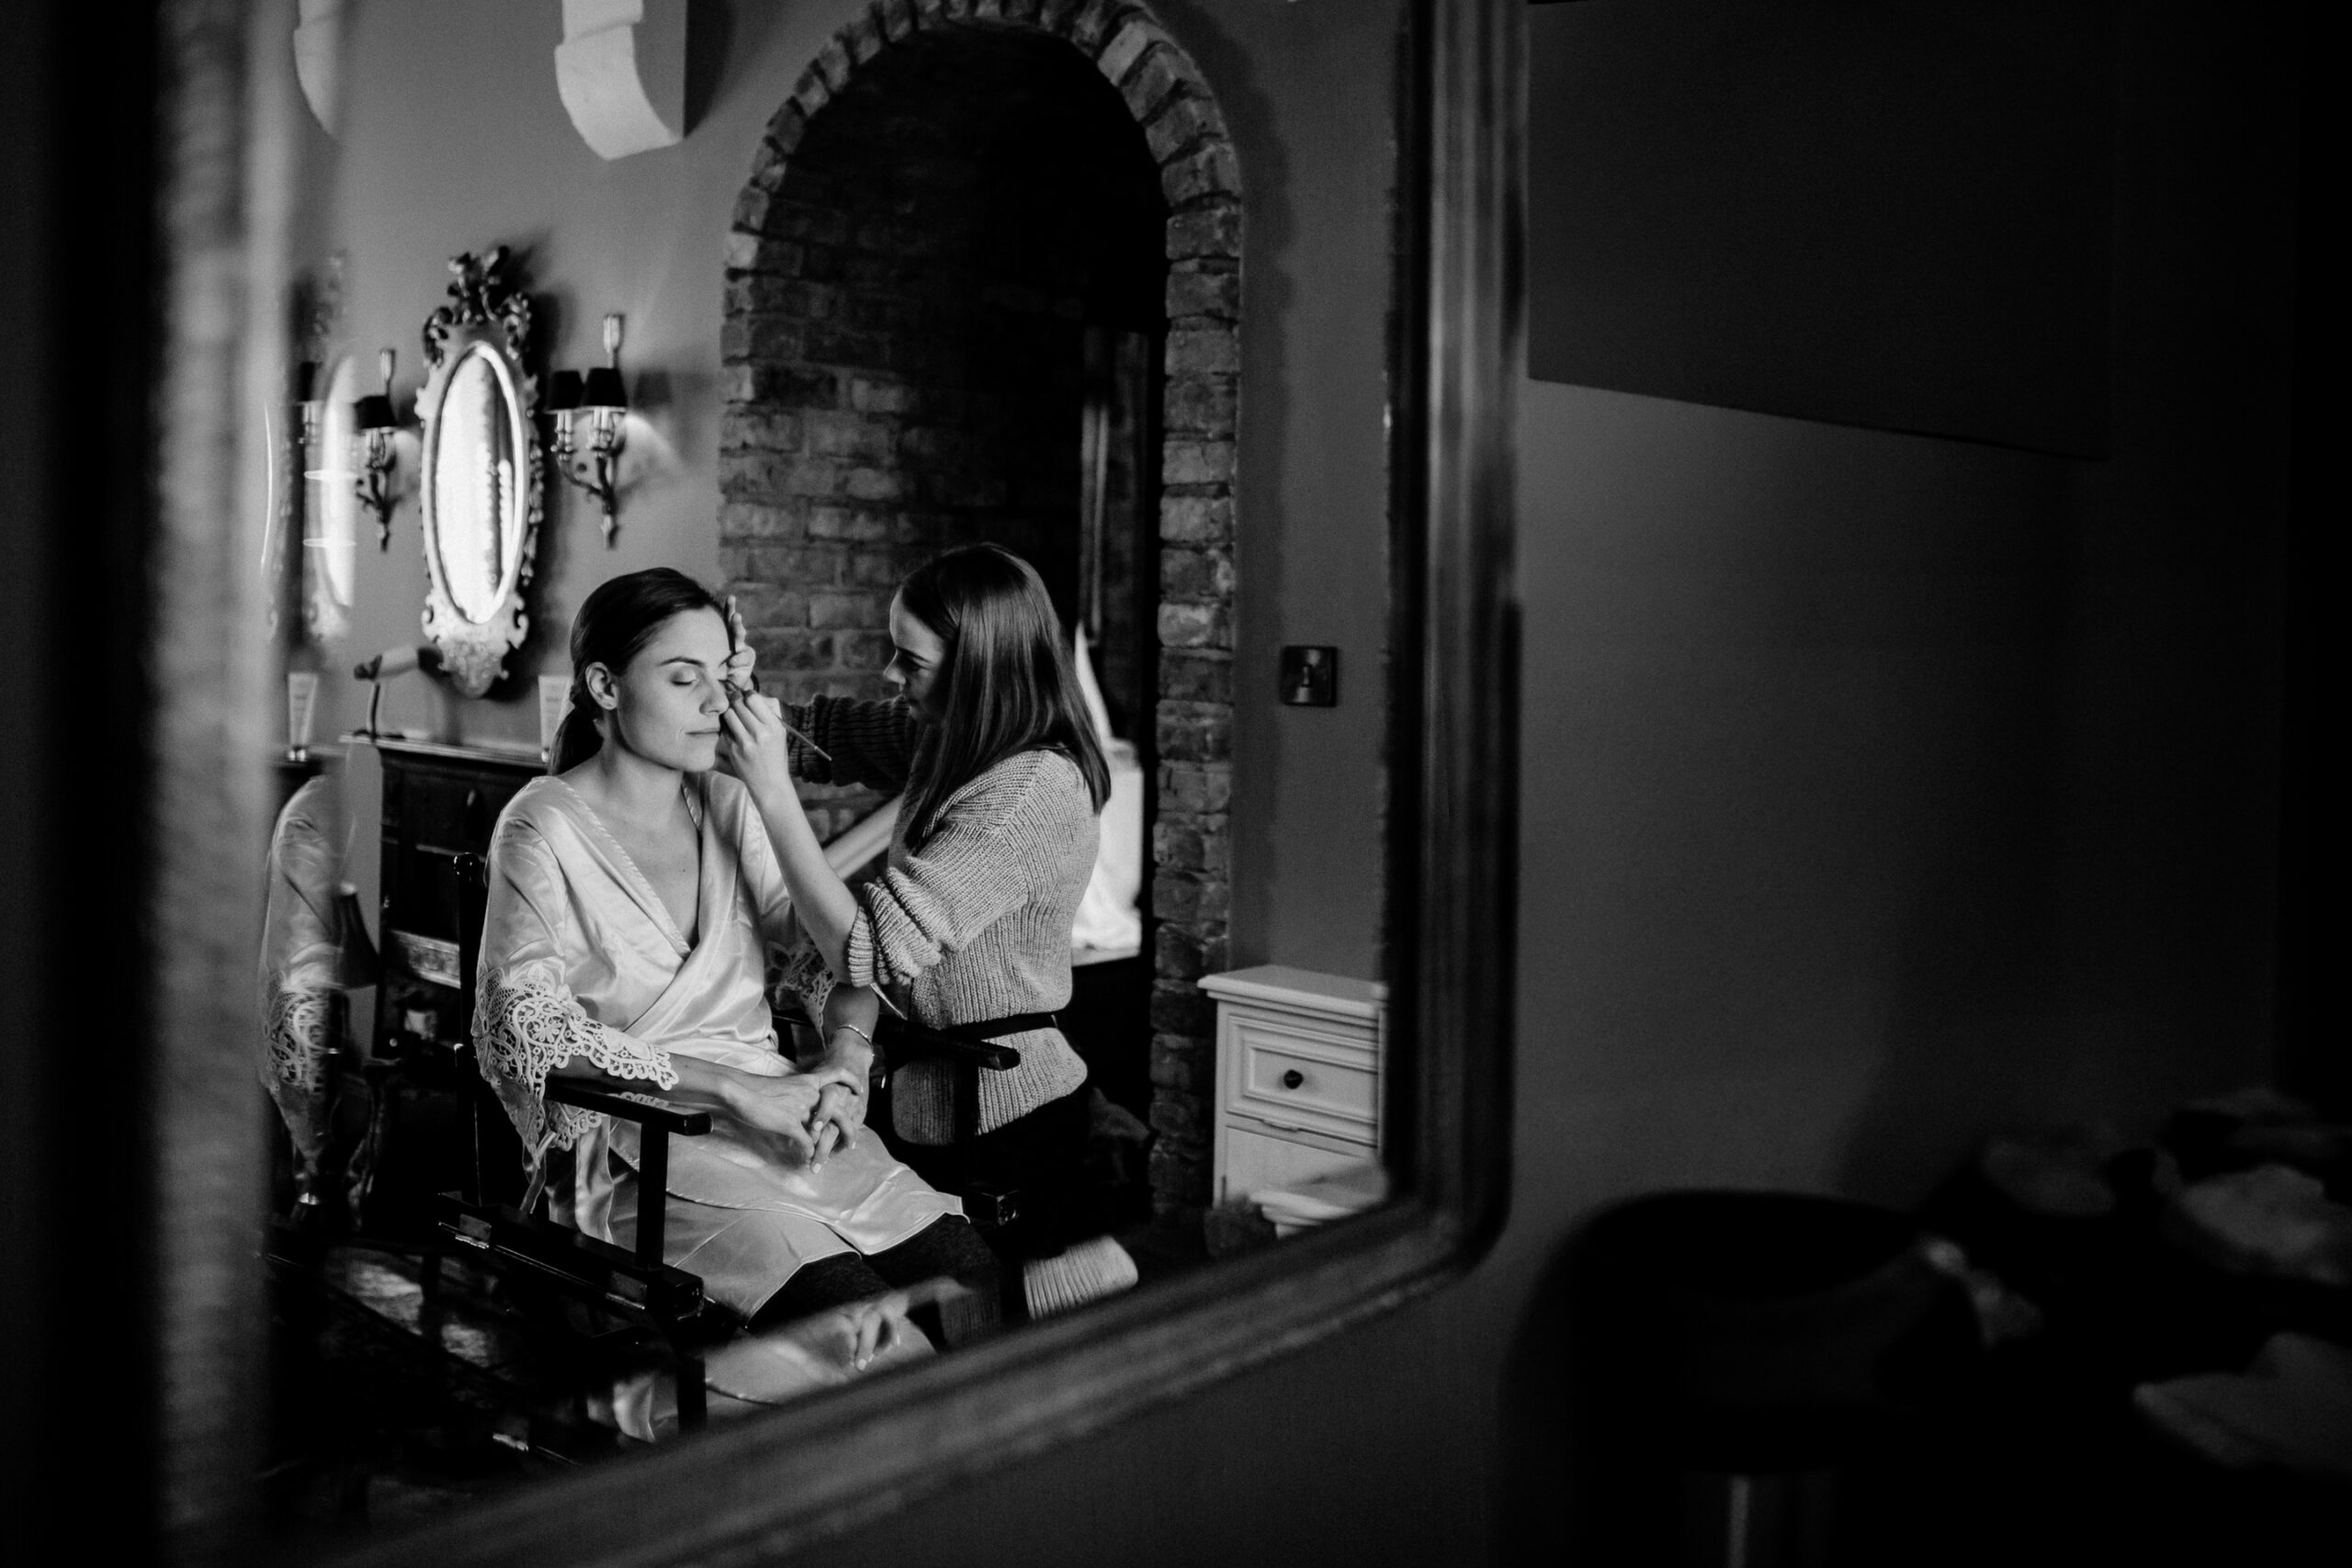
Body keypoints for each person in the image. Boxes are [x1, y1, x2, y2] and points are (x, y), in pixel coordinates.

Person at [470, 568, 994, 1361]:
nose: (717, 703)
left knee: (981, 1300)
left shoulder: (731, 804)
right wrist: (739, 1091)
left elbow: (839, 961)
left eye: (724, 677)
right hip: (640, 1149)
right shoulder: (539, 827)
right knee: (869, 1338)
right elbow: (530, 1035)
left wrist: (847, 1064)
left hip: (790, 1126)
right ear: (605, 686)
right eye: (684, 679)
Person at [718, 544, 1137, 1304]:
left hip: (1015, 1118)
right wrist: (737, 692)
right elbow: (824, 734)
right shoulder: (955, 737)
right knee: (966, 1332)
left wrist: (772, 794)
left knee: (1038, 1338)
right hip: (937, 1105)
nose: (891, 674)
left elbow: (867, 950)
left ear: (979, 669)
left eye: (911, 661)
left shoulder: (1030, 789)